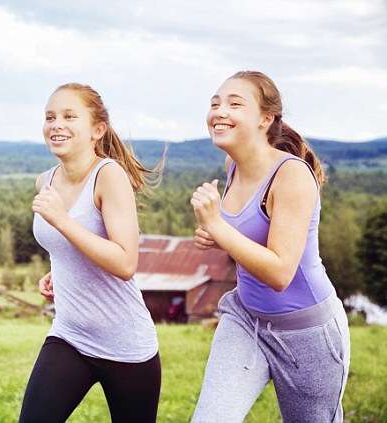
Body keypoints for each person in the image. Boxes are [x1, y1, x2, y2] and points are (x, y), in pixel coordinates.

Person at [190, 71, 350, 422]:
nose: (220, 110)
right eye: (215, 102)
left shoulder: (291, 175)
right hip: (246, 318)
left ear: (266, 119)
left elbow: (280, 272)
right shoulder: (233, 165)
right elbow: (246, 238)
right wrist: (214, 236)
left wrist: (217, 225)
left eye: (234, 103)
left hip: (307, 334)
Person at [18, 83, 162, 423]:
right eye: (50, 117)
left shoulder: (109, 176)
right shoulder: (46, 180)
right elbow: (71, 247)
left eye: (69, 116)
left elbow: (126, 262)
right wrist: (61, 269)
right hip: (70, 336)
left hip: (126, 345)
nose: (56, 124)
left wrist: (62, 221)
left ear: (97, 130)